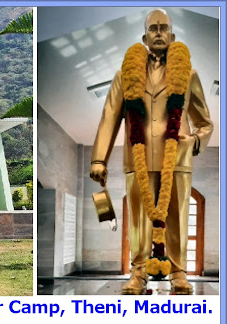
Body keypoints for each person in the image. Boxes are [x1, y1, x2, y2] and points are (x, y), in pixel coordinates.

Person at [89, 9, 213, 295]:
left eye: (164, 28)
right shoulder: (125, 75)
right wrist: (98, 159)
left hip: (177, 160)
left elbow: (205, 123)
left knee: (177, 217)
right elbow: (109, 117)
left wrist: (193, 141)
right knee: (139, 220)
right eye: (154, 28)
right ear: (145, 37)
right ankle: (138, 273)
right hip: (137, 159)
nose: (159, 32)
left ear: (172, 35)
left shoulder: (189, 74)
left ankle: (179, 273)